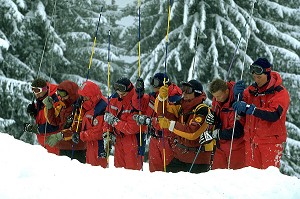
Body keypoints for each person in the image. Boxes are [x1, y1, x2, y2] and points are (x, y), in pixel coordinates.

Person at [232, 57, 290, 169]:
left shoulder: (280, 92)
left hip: (270, 143)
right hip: (250, 141)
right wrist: (237, 97)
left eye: (259, 77)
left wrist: (252, 109)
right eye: (254, 77)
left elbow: (274, 114)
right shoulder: (251, 90)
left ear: (268, 74)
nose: (256, 80)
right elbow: (241, 110)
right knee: (252, 178)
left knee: (268, 179)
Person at [155, 79, 215, 173]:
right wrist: (161, 99)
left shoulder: (203, 110)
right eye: (184, 89)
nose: (185, 93)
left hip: (197, 159)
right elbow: (163, 114)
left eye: (189, 90)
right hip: (180, 156)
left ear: (197, 93)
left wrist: (170, 124)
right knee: (167, 181)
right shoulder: (182, 107)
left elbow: (192, 133)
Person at [132, 73, 182, 172]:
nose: (153, 85)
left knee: (168, 170)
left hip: (168, 139)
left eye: (155, 82)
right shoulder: (153, 96)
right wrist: (139, 92)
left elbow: (169, 118)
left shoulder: (174, 98)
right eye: (152, 81)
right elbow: (139, 105)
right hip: (155, 138)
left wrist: (150, 121)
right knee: (154, 170)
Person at [103, 77, 143, 170]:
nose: (120, 95)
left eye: (123, 94)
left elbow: (131, 128)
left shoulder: (135, 102)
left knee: (132, 171)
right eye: (118, 93)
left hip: (132, 141)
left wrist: (114, 121)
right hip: (118, 140)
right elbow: (107, 118)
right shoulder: (114, 99)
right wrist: (107, 133)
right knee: (119, 170)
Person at [42, 80, 87, 163]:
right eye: (58, 93)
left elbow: (76, 129)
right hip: (63, 146)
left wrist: (59, 135)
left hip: (77, 148)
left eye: (63, 94)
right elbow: (54, 121)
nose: (60, 97)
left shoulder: (80, 107)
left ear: (71, 94)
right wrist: (49, 108)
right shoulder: (63, 106)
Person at [207, 78, 245, 169]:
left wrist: (218, 134)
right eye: (215, 97)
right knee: (216, 177)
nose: (217, 99)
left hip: (236, 149)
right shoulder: (217, 101)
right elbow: (216, 116)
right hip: (220, 148)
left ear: (226, 91)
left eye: (219, 96)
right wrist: (212, 119)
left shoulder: (238, 100)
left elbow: (238, 130)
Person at [74, 80, 108, 167]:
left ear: (92, 97)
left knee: (97, 171)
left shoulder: (101, 108)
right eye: (82, 97)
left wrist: (81, 135)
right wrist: (79, 108)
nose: (83, 99)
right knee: (90, 168)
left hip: (99, 147)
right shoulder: (89, 105)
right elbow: (85, 119)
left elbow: (98, 132)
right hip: (90, 144)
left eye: (85, 97)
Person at [24, 78, 60, 155]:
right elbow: (42, 118)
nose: (35, 93)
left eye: (37, 90)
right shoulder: (40, 99)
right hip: (43, 141)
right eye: (33, 90)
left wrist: (37, 129)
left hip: (53, 142)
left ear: (45, 89)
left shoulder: (54, 100)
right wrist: (34, 113)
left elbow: (57, 124)